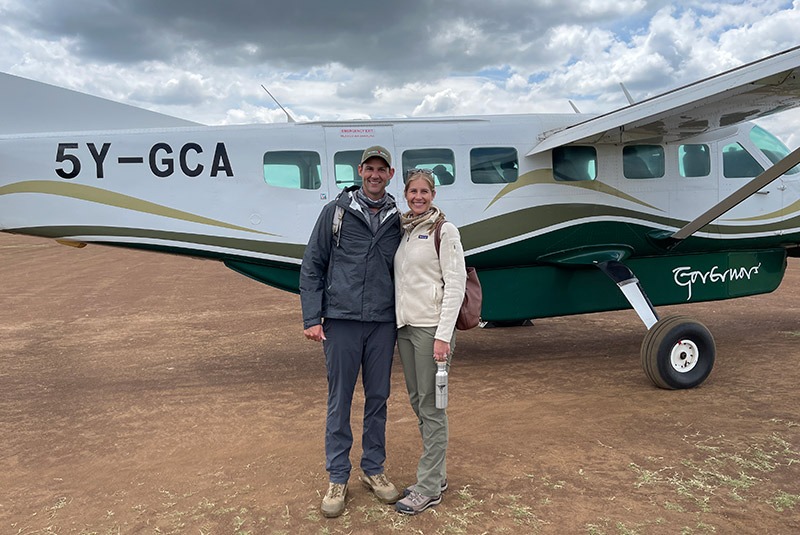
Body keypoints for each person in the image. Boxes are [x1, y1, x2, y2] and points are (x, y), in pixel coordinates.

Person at [300, 145, 403, 518]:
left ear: (391, 174)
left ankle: (373, 469)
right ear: (360, 170)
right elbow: (312, 264)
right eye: (370, 168)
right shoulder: (336, 213)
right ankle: (338, 475)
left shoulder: (399, 218)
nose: (375, 175)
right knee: (339, 399)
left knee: (378, 398)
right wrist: (312, 318)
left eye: (382, 169)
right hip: (341, 320)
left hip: (381, 322)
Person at [393, 168, 467, 515]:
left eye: (424, 191)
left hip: (430, 330)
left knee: (433, 408)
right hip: (406, 328)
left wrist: (442, 336)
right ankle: (436, 475)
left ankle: (428, 488)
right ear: (406, 194)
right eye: (413, 191)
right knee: (417, 400)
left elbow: (456, 284)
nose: (418, 197)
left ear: (433, 194)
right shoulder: (407, 231)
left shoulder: (444, 230)